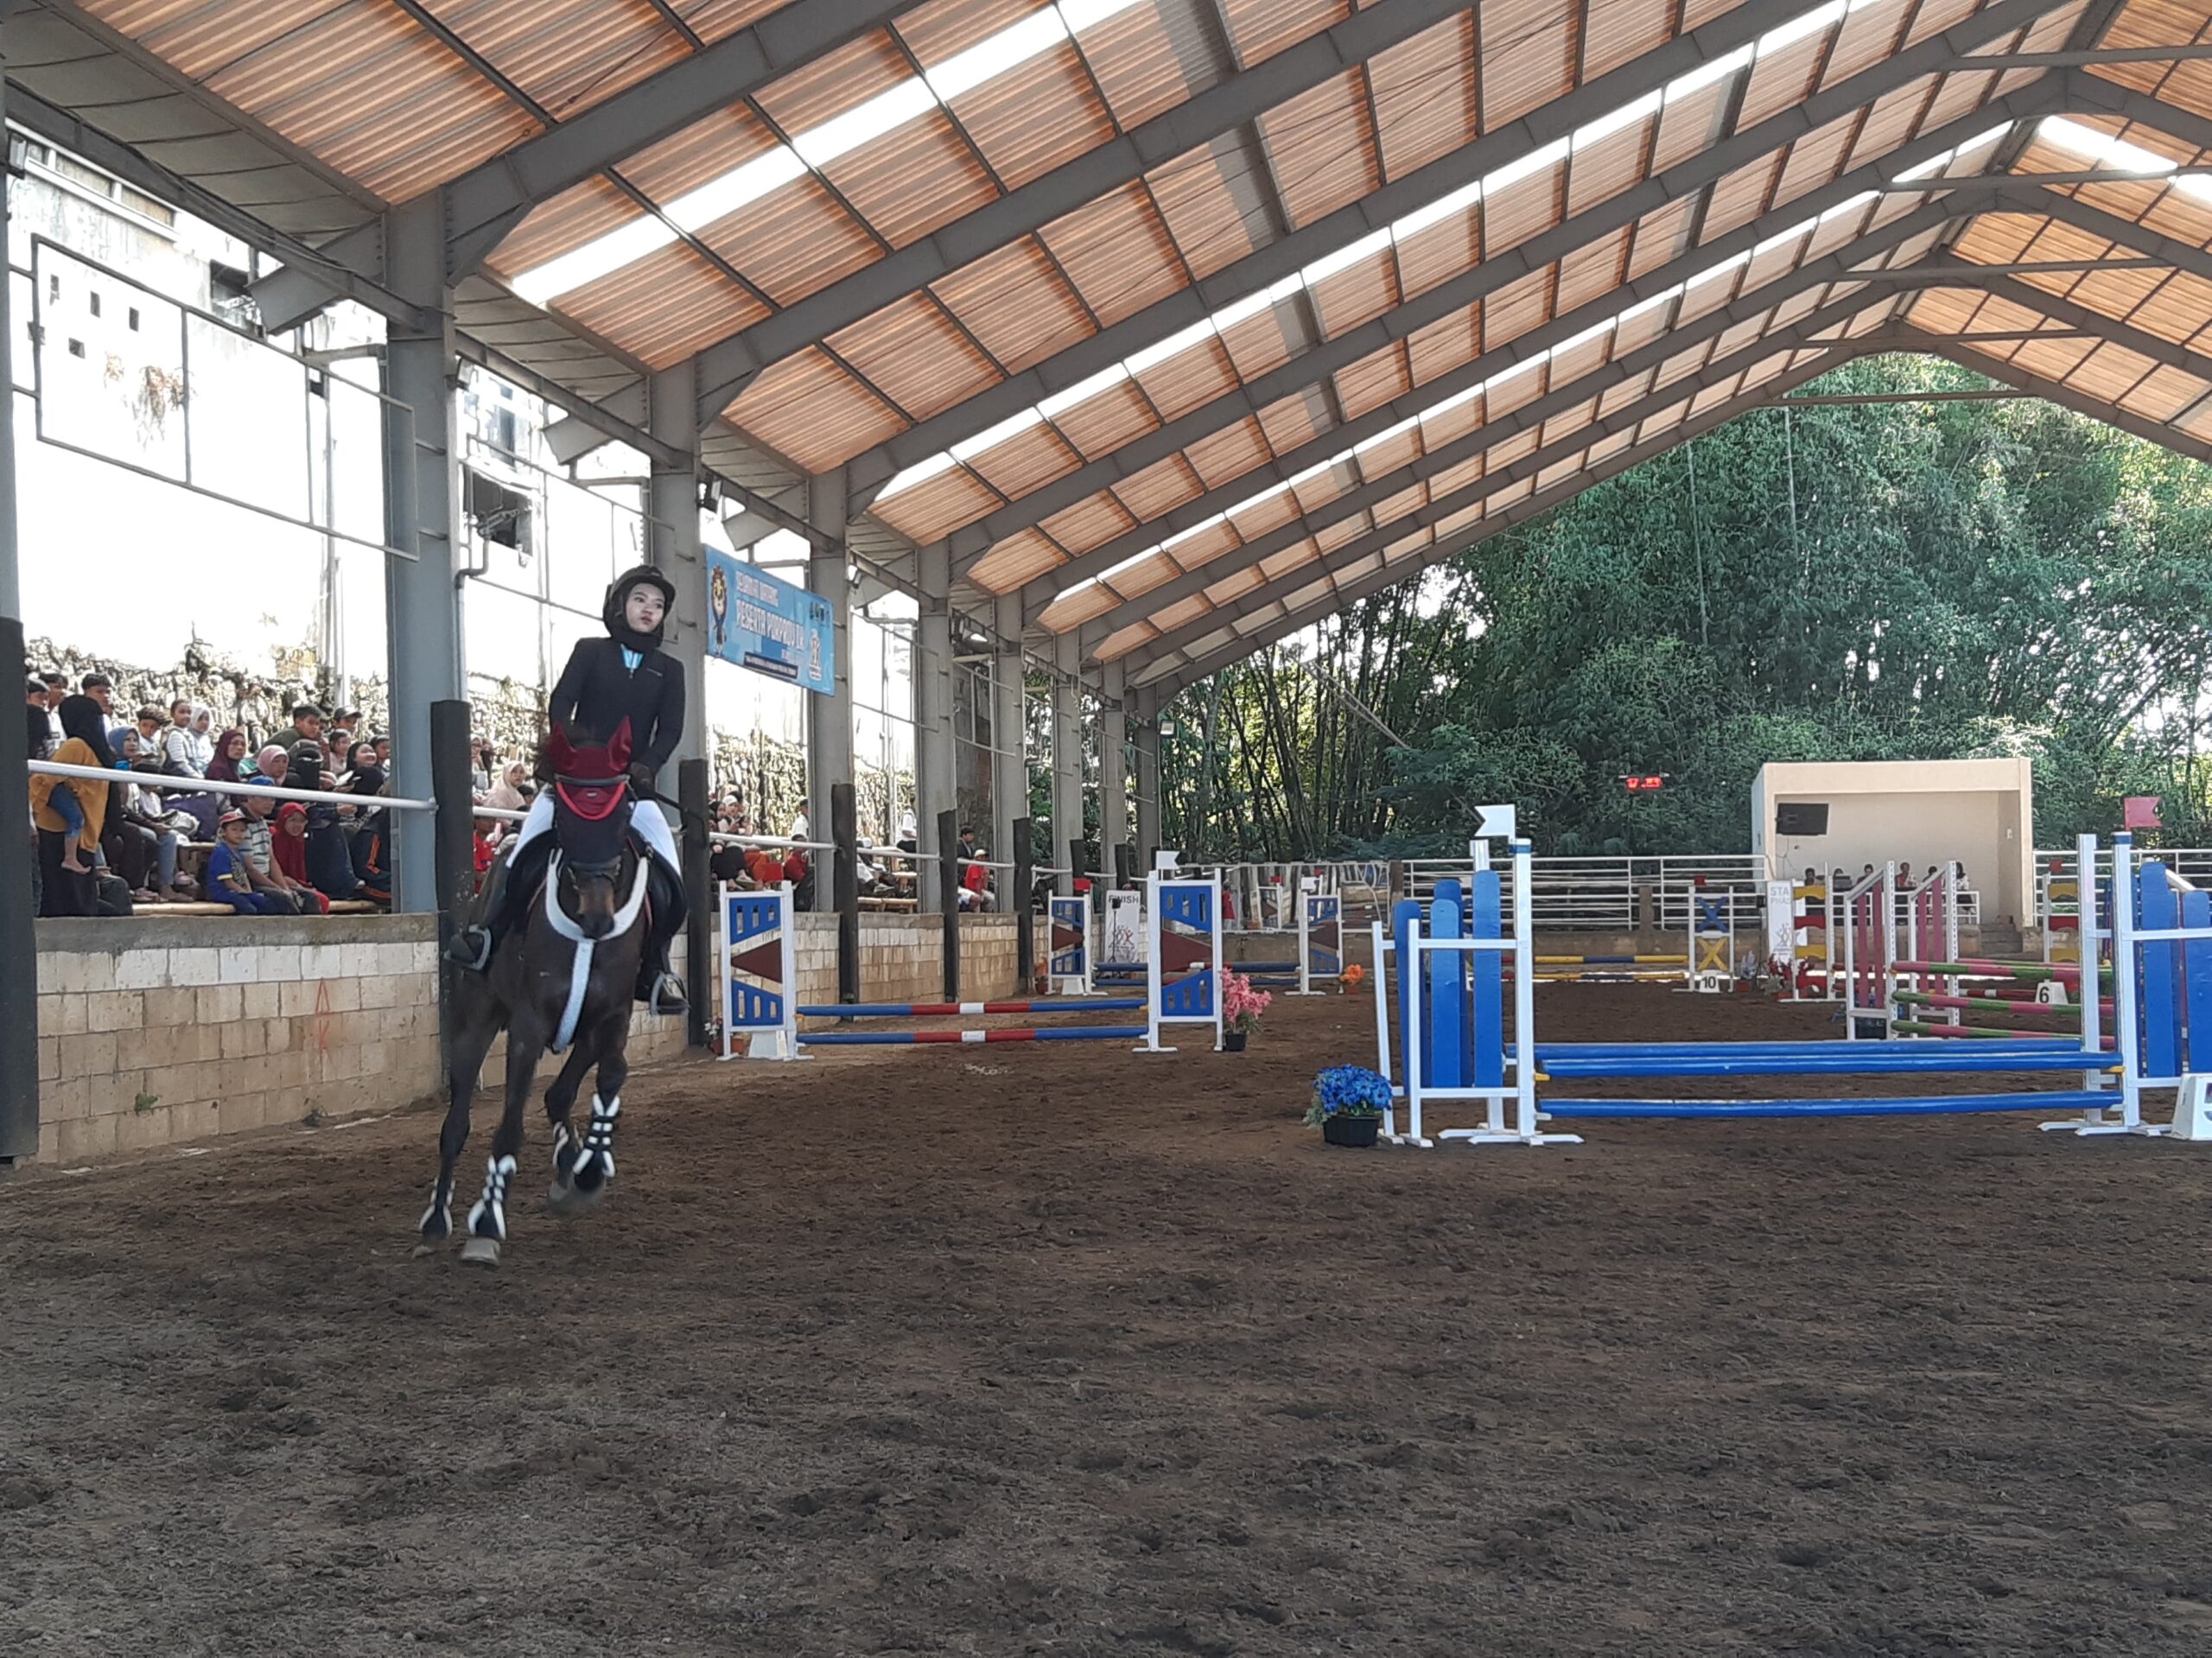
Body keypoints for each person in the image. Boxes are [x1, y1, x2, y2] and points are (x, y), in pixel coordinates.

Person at [448, 565, 690, 1013]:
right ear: (621, 605)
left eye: (657, 605)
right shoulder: (590, 651)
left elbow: (671, 729)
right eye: (640, 600)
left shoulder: (669, 669)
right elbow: (562, 701)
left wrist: (647, 765)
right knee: (524, 849)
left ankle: (657, 966)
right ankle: (488, 935)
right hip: (577, 778)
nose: (649, 610)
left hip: (629, 785)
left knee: (671, 874)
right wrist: (573, 748)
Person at [207, 810, 283, 915]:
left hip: (238, 891)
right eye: (234, 830)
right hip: (223, 892)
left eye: (242, 830)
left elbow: (244, 877)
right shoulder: (221, 852)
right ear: (223, 832)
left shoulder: (238, 853)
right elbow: (228, 882)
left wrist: (250, 893)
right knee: (249, 908)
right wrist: (245, 893)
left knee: (267, 903)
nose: (239, 834)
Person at [270, 804, 333, 914]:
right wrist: (296, 885)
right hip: (275, 883)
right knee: (318, 899)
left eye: (302, 821)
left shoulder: (300, 841)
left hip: (294, 884)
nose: (297, 825)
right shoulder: (274, 837)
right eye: (292, 820)